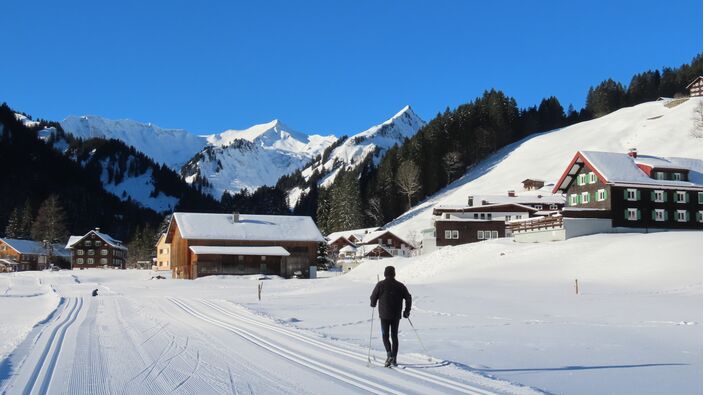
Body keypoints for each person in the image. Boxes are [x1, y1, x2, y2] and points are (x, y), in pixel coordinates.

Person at [370, 265, 412, 367]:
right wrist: (407, 311)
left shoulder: (380, 284)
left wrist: (373, 303)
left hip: (384, 315)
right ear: (394, 274)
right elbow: (408, 298)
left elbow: (373, 297)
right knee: (394, 336)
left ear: (385, 274)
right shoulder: (400, 285)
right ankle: (394, 358)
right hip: (396, 315)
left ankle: (389, 354)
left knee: (385, 335)